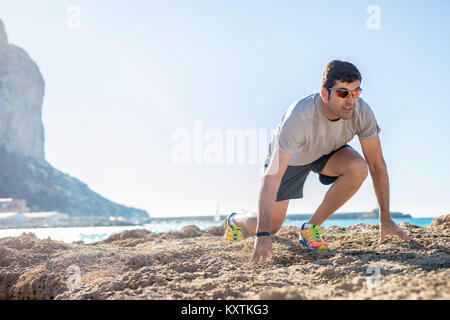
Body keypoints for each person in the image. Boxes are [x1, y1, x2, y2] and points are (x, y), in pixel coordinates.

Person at [222, 60, 411, 265]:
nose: (351, 100)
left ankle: (310, 228)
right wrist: (262, 235)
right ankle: (235, 220)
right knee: (273, 225)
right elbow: (272, 178)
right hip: (291, 159)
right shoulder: (299, 116)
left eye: (356, 92)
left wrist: (385, 217)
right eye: (342, 93)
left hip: (326, 152)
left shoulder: (362, 112)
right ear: (325, 94)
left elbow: (377, 165)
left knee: (359, 168)